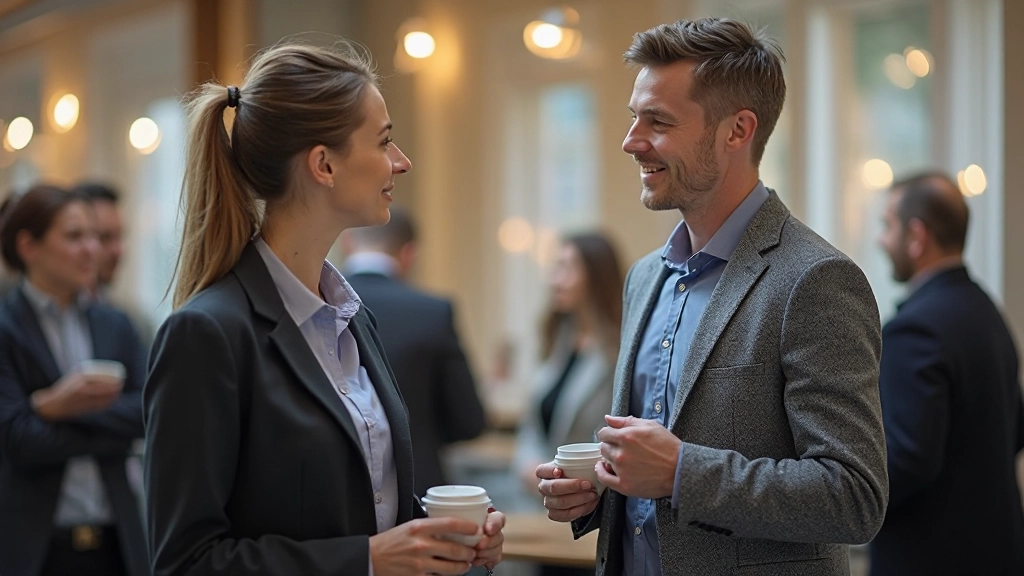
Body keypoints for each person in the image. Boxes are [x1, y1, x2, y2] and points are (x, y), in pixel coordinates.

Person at [536, 18, 888, 576]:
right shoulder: (644, 277)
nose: (631, 141)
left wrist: (681, 472)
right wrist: (602, 491)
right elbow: (651, 484)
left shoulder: (815, 280)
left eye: (659, 121)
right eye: (634, 118)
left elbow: (853, 496)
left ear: (736, 131)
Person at [142, 42, 505, 576]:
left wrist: (443, 536)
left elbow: (363, 508)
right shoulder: (207, 334)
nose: (401, 161)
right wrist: (367, 561)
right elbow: (184, 563)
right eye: (383, 141)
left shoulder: (353, 317)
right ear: (324, 164)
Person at [870, 172, 1024, 576]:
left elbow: (903, 462)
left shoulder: (915, 330)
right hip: (999, 551)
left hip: (929, 558)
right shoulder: (988, 313)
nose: (881, 240)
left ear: (917, 236)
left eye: (887, 225)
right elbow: (1016, 432)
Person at [0, 185, 148, 576]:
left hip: (117, 537)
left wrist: (51, 408)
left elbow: (147, 411)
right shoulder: (5, 328)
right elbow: (17, 438)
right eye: (74, 236)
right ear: (29, 246)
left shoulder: (115, 323)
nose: (91, 250)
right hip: (34, 544)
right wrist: (106, 426)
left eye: (94, 237)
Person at [342, 206, 487, 496]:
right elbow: (468, 421)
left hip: (337, 491)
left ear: (347, 244)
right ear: (409, 253)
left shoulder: (313, 305)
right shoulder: (432, 312)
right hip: (415, 492)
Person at [514, 233, 623, 493]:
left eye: (566, 268)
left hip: (589, 497)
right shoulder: (556, 339)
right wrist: (527, 463)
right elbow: (532, 425)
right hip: (538, 495)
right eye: (555, 267)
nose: (554, 279)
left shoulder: (619, 350)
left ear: (596, 277)